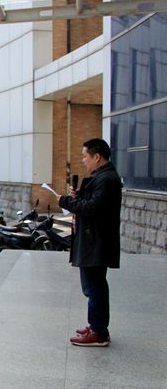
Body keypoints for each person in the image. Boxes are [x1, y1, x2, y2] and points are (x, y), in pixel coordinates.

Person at [58, 138, 122, 347]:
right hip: (94, 240)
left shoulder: (106, 178)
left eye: (85, 156)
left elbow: (93, 208)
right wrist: (78, 197)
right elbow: (93, 202)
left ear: (97, 157)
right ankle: (96, 325)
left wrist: (67, 201)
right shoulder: (102, 177)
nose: (83, 160)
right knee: (94, 286)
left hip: (96, 242)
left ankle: (99, 332)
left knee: (94, 287)